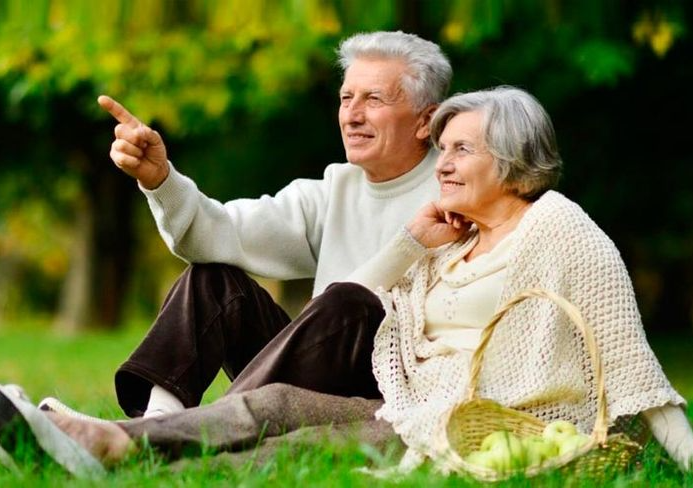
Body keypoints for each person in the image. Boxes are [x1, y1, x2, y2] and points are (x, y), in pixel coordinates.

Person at [0, 86, 693, 487]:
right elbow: (364, 310)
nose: (444, 163)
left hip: (464, 422)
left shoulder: (558, 227)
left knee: (306, 435)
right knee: (273, 403)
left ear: (515, 161)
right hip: (403, 398)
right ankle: (108, 438)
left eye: (460, 150)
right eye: (442, 148)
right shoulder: (446, 236)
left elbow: (628, 359)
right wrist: (412, 244)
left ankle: (114, 452)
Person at [43, 30, 453, 421]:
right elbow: (218, 233)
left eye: (374, 99)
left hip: (392, 388)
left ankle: (170, 433)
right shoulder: (333, 189)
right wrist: (161, 180)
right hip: (314, 374)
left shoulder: (459, 190)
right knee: (212, 279)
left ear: (425, 121)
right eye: (346, 98)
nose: (352, 115)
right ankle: (158, 419)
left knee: (350, 303)